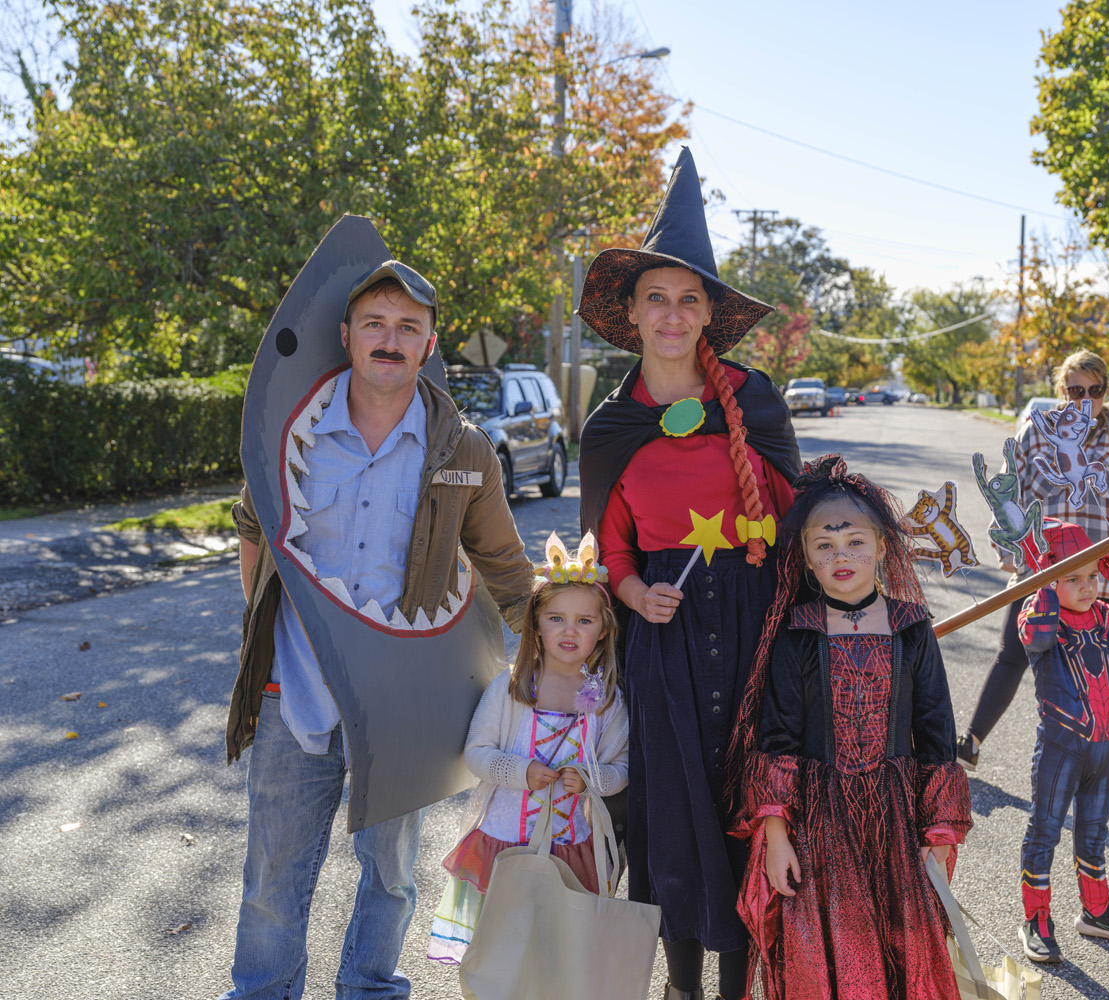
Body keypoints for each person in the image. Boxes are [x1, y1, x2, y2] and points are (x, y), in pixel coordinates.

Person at [223, 259, 534, 1000]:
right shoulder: (291, 426)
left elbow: (503, 566)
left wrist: (572, 658)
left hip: (404, 708)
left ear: (429, 344)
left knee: (391, 877)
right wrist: (268, 641)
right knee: (272, 876)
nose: (389, 340)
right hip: (291, 694)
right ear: (347, 335)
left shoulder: (463, 448)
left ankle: (370, 989)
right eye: (375, 325)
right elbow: (249, 529)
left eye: (407, 328)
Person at [577, 148, 801, 1000]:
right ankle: (679, 987)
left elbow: (798, 522)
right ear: (631, 313)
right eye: (656, 298)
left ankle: (741, 985)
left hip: (753, 631)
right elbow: (607, 555)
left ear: (709, 314)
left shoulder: (757, 402)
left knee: (750, 807)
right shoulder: (609, 429)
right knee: (667, 820)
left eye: (688, 298)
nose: (672, 314)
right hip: (661, 648)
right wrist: (633, 594)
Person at [727, 455, 972, 1000]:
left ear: (884, 546)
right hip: (819, 820)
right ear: (807, 559)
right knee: (835, 944)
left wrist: (940, 828)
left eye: (856, 541)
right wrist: (774, 835)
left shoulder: (911, 627)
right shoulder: (798, 631)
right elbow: (778, 736)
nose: (842, 555)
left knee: (901, 941)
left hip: (896, 816)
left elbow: (936, 730)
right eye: (825, 545)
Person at [427, 533, 629, 964]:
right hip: (504, 844)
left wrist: (593, 780)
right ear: (536, 624)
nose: (569, 630)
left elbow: (622, 767)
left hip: (569, 848)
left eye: (584, 621)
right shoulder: (511, 689)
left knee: (555, 951)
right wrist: (519, 772)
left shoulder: (607, 700)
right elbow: (477, 752)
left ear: (604, 629)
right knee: (501, 950)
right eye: (556, 618)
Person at [957, 349, 1109, 770]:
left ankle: (1092, 754)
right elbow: (1008, 493)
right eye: (1075, 390)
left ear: (1107, 389)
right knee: (1013, 651)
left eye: (1095, 390)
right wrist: (1012, 553)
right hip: (1042, 567)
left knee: (1090, 669)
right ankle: (971, 741)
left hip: (1097, 577)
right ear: (1060, 391)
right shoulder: (1036, 431)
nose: (1086, 399)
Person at [1015, 520, 1109, 964]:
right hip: (1062, 748)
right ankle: (1036, 919)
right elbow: (1037, 638)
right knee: (1044, 833)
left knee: (1094, 834)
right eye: (1074, 578)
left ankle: (1097, 913)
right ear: (1048, 578)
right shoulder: (1039, 615)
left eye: (1092, 575)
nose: (1087, 586)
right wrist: (1041, 582)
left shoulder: (1103, 616)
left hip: (1106, 746)